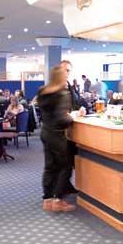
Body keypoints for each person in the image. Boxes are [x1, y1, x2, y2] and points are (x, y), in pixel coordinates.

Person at [38, 62, 86, 212]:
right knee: (65, 166)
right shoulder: (62, 94)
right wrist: (74, 116)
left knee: (50, 167)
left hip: (45, 132)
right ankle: (58, 200)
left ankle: (47, 199)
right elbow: (62, 119)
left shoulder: (43, 91)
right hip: (57, 135)